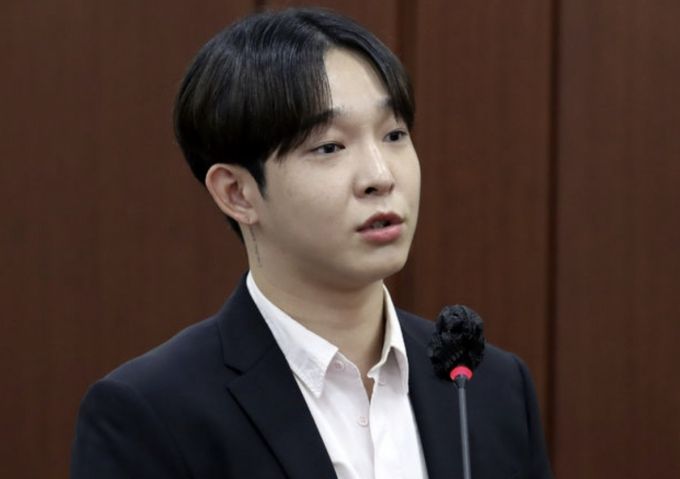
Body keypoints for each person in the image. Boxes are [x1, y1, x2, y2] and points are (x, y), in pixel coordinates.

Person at [70, 7, 553, 479]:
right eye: (329, 147)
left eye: (394, 134)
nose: (380, 176)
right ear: (237, 193)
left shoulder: (487, 385)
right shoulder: (151, 414)